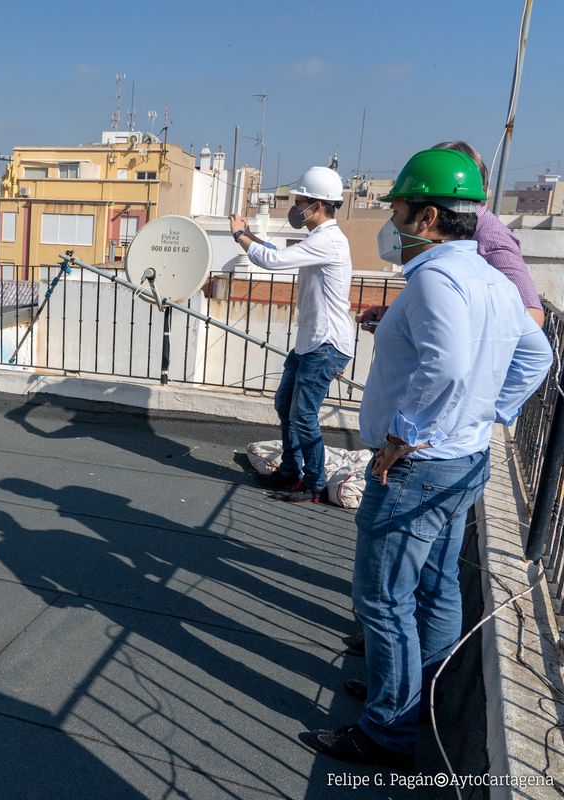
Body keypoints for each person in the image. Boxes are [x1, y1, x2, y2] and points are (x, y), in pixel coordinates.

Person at [302, 149, 552, 768]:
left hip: (419, 467)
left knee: (385, 597)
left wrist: (401, 439)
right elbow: (537, 358)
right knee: (437, 587)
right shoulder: (493, 280)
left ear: (430, 214)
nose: (394, 219)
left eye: (401, 208)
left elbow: (445, 364)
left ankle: (388, 730)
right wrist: (491, 414)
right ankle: (419, 699)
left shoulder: (437, 281)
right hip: (465, 460)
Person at [228, 166, 355, 503]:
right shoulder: (318, 239)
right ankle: (289, 471)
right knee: (285, 405)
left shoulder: (328, 240)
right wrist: (251, 235)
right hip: (312, 343)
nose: (295, 207)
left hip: (325, 345)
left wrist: (239, 236)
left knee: (302, 414)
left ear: (316, 204)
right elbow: (275, 251)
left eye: (299, 200)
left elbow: (272, 261)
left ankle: (314, 483)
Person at [359, 140, 544, 331]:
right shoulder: (447, 231)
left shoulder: (491, 239)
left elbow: (532, 317)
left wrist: (449, 332)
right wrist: (400, 319)